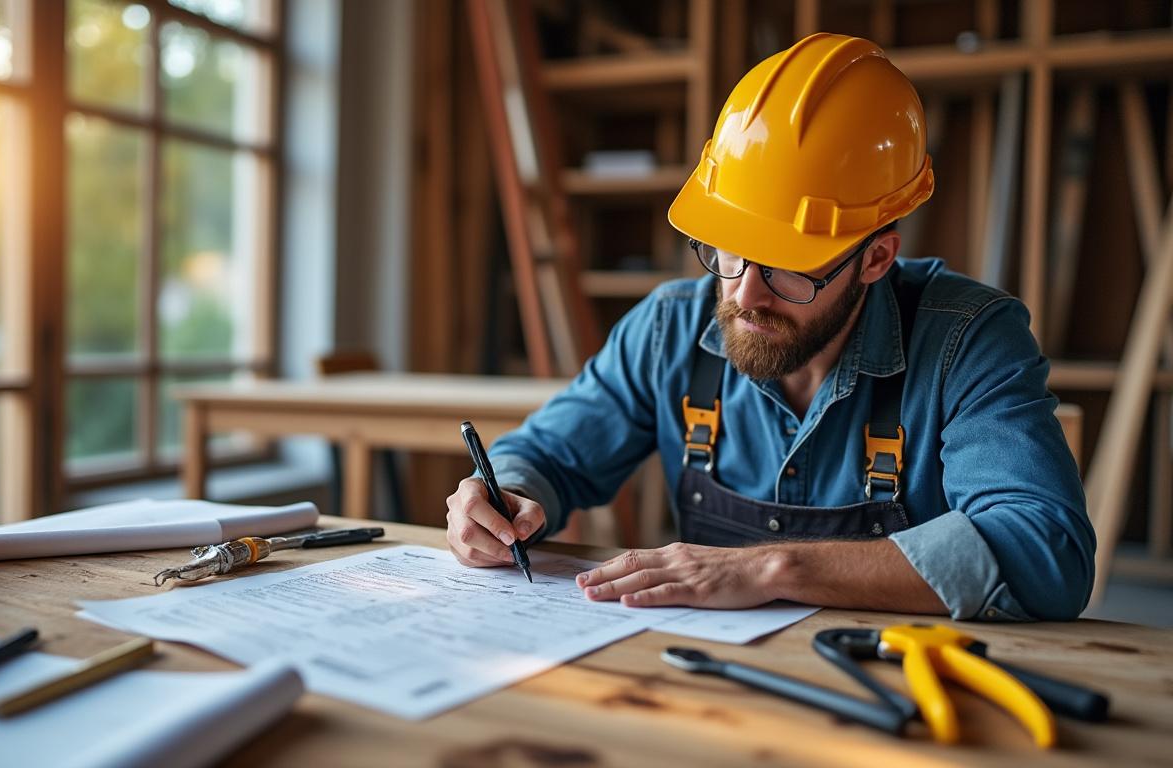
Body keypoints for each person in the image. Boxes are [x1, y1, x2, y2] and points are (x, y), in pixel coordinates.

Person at [444, 33, 1094, 622]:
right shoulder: (671, 328)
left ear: (875, 258)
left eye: (788, 268)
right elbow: (550, 453)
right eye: (729, 250)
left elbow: (1046, 549)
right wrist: (504, 495)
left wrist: (774, 569)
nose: (744, 295)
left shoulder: (968, 340)